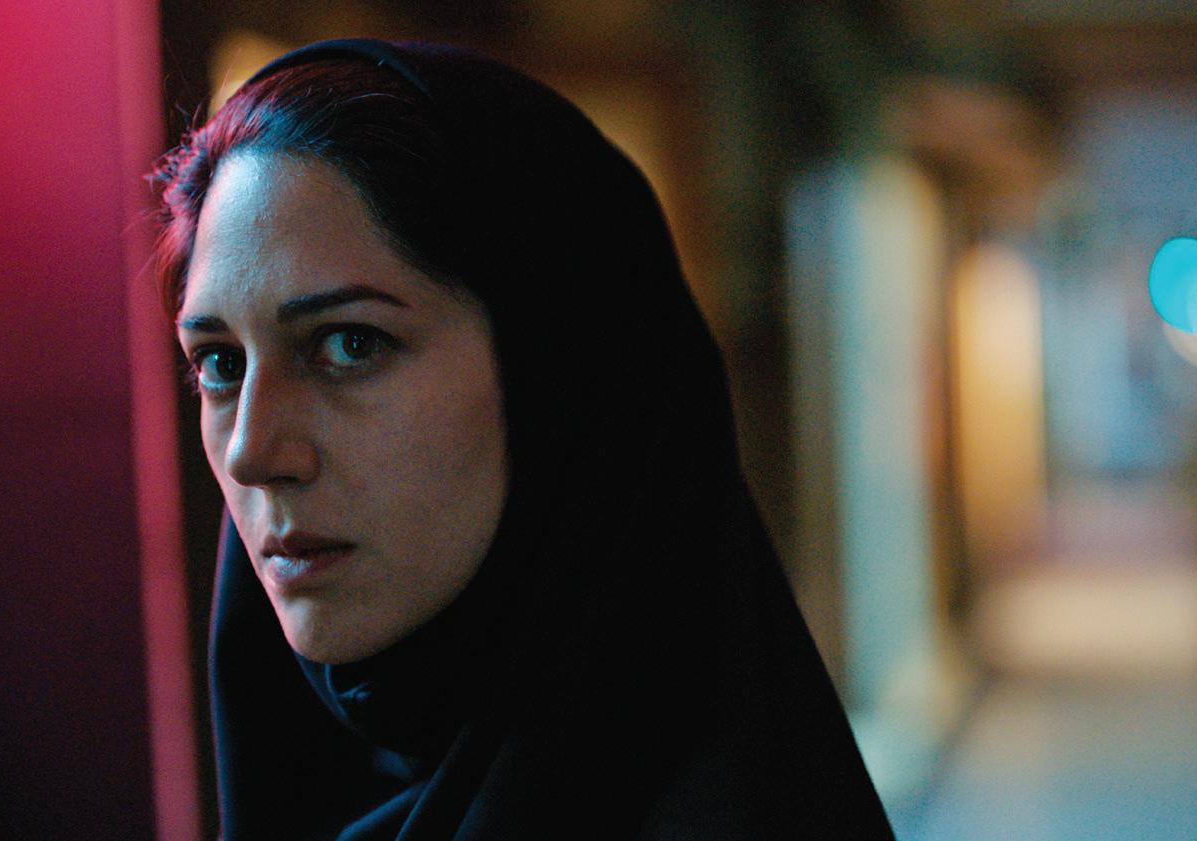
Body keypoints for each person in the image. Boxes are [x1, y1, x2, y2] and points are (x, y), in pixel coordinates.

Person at [152, 39, 894, 839]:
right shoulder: (308, 788)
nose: (252, 452)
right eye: (219, 363)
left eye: (350, 344)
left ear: (558, 378)